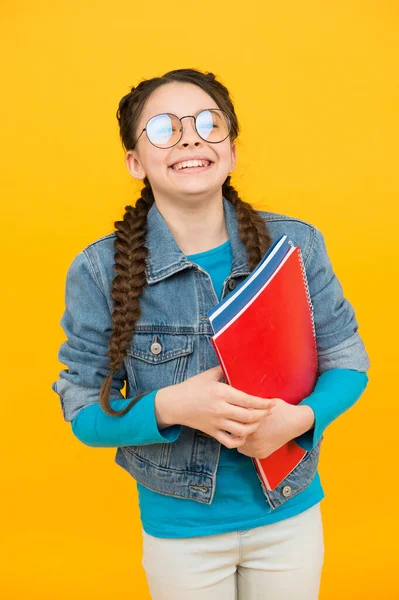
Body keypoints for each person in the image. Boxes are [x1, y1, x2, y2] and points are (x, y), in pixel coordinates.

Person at [51, 68, 370, 600]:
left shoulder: (297, 244)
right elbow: (82, 410)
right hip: (181, 535)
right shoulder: (97, 269)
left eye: (206, 123)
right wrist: (170, 407)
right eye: (162, 129)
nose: (190, 137)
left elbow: (347, 360)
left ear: (232, 150)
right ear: (135, 160)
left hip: (289, 518)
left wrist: (300, 419)